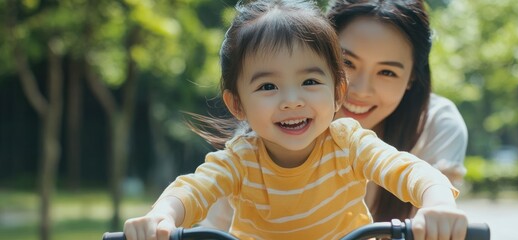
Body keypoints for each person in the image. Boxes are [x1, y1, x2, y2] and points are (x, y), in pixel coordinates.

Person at [123, 0, 468, 239]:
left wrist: (437, 202)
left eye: (310, 82)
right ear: (237, 104)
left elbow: (407, 170)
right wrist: (162, 216)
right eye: (268, 86)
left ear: (337, 92)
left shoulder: (348, 141)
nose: (292, 101)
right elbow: (193, 189)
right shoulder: (240, 158)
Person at [326, 0, 468, 222]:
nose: (361, 90)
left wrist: (439, 204)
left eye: (387, 72)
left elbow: (436, 211)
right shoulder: (276, 116)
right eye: (347, 62)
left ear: (411, 77)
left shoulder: (435, 125)